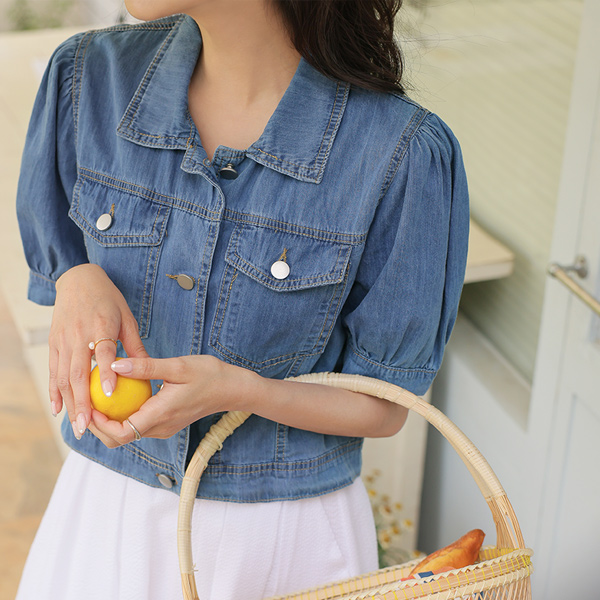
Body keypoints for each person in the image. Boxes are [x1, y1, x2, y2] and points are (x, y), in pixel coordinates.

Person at [15, 0, 469, 598]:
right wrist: (78, 277)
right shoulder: (87, 78)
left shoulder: (401, 154)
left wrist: (240, 391)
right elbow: (61, 247)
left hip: (278, 540)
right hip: (106, 510)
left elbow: (384, 405)